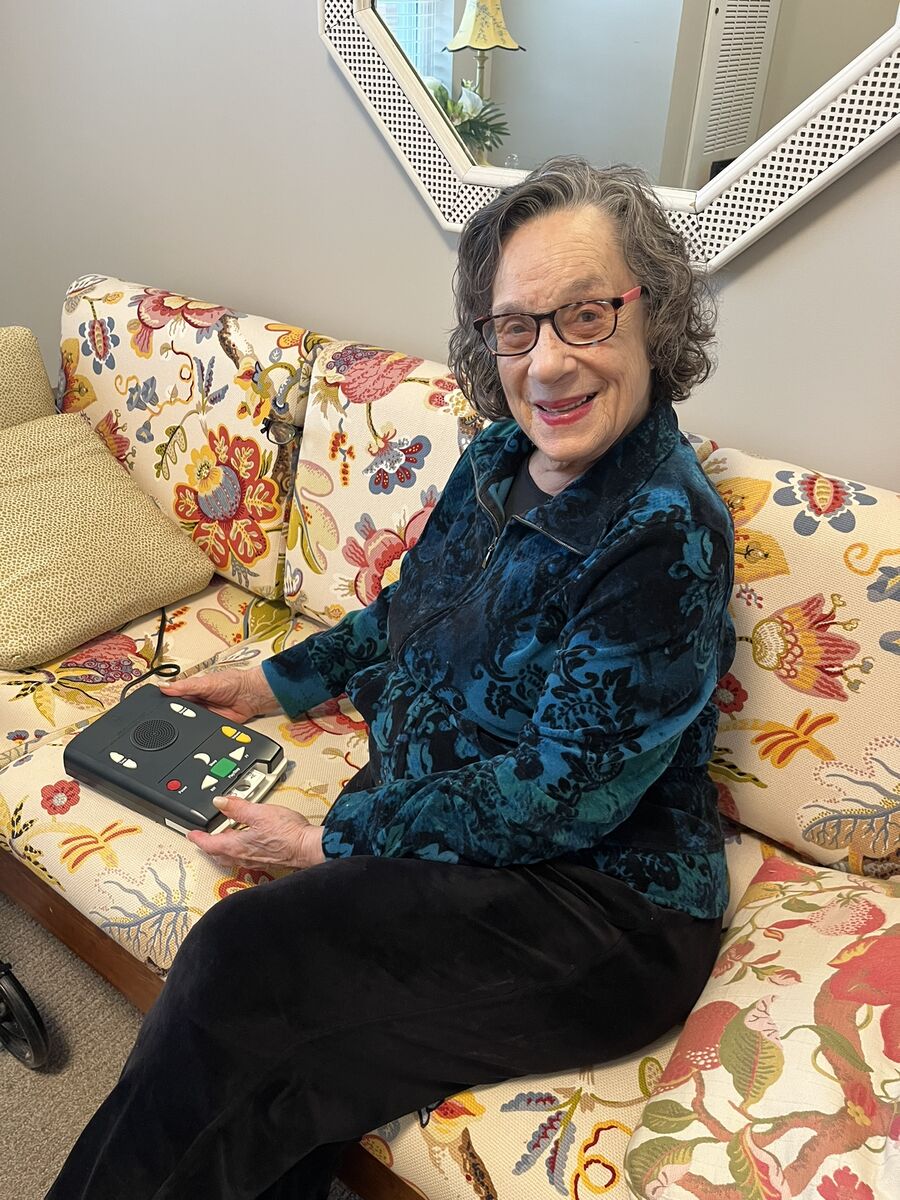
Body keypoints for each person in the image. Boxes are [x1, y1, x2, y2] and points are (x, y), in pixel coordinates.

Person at [48, 157, 735, 1200]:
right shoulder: (498, 459)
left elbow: (563, 794)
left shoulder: (662, 530)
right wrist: (275, 682)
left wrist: (335, 839)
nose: (548, 362)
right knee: (283, 1065)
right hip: (448, 834)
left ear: (653, 318)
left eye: (586, 316)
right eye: (517, 326)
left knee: (243, 966)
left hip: (601, 905)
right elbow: (409, 610)